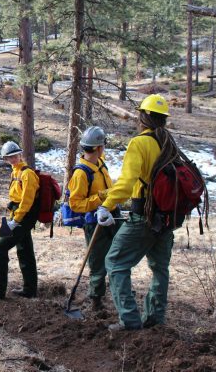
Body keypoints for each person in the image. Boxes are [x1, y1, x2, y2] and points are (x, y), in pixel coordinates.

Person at [100, 94, 179, 331]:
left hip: (143, 217)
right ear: (163, 120)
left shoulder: (139, 143)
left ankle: (130, 321)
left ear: (142, 117)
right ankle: (155, 319)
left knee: (114, 262)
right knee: (159, 268)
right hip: (167, 219)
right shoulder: (169, 143)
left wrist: (107, 205)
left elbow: (126, 182)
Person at [67, 126, 120, 310]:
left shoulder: (100, 163)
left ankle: (115, 292)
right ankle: (96, 300)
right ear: (99, 147)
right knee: (98, 263)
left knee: (117, 258)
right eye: (102, 145)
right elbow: (76, 204)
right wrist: (101, 198)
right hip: (95, 222)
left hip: (112, 217)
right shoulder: (81, 174)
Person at [0, 141, 39, 300]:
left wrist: (15, 221)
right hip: (17, 214)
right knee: (25, 249)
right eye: (8, 157)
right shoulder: (15, 172)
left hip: (24, 215)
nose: (12, 159)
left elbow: (27, 201)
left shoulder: (27, 173)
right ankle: (30, 289)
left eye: (14, 155)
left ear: (20, 154)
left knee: (0, 247)